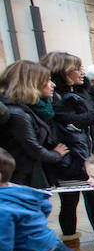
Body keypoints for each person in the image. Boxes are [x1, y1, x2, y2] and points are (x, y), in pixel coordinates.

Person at [42, 51, 94, 251]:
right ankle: (71, 247)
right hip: (71, 156)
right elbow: (78, 120)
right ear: (63, 71)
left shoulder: (83, 91)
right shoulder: (54, 96)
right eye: (77, 68)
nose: (81, 72)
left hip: (91, 153)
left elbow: (93, 120)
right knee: (69, 202)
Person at [0, 61, 68, 189]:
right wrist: (56, 155)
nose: (53, 85)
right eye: (47, 80)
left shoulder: (29, 109)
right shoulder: (18, 114)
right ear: (32, 83)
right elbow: (33, 149)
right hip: (22, 181)